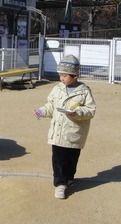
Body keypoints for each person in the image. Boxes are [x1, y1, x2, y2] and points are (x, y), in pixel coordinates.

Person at [33, 54, 96, 199]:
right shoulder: (57, 89)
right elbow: (51, 105)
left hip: (74, 133)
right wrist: (41, 111)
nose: (61, 78)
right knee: (58, 159)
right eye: (60, 75)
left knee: (72, 159)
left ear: (74, 75)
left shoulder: (84, 91)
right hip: (58, 133)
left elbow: (91, 110)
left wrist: (78, 112)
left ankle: (69, 178)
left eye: (64, 75)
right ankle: (60, 184)